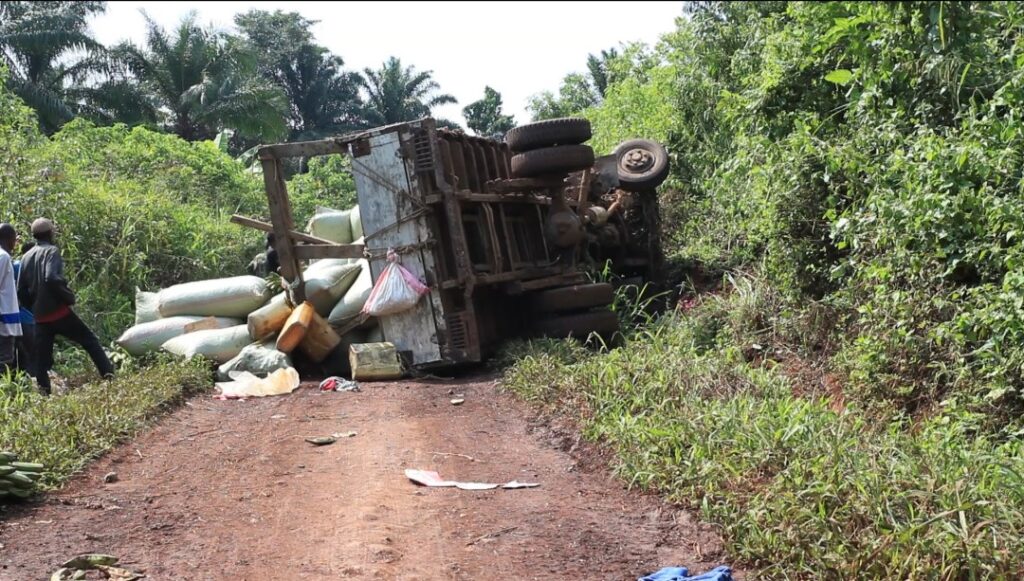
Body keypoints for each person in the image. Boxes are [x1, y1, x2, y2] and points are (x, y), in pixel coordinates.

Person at [17, 218, 114, 395]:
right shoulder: (51, 251)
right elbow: (51, 277)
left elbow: (21, 291)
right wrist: (68, 297)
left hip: (40, 317)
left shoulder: (25, 257)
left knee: (42, 361)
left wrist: (35, 307)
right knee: (90, 341)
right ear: (49, 233)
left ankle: (44, 395)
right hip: (58, 312)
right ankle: (110, 378)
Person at [0, 224, 22, 374]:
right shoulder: (3, 257)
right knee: (5, 361)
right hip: (4, 319)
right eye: (14, 239)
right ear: (9, 239)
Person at [12, 240, 36, 377]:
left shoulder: (14, 265)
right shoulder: (28, 268)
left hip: (13, 320)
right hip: (27, 320)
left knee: (18, 360)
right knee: (30, 360)